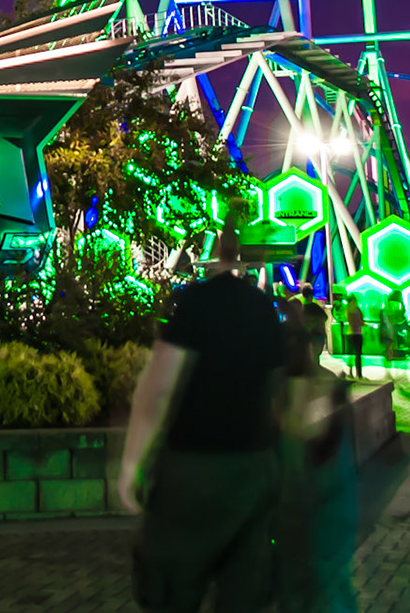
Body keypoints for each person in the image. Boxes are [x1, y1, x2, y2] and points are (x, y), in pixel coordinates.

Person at [120, 228, 294, 613]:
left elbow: (157, 389)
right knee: (245, 594)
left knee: (171, 589)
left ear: (209, 256)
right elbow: (279, 394)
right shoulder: (263, 307)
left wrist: (133, 463)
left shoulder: (191, 302)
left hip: (193, 467)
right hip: (252, 465)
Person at [343, 295, 366, 381]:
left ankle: (350, 372)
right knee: (358, 355)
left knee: (351, 355)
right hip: (357, 334)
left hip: (350, 334)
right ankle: (358, 374)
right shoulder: (356, 309)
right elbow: (361, 321)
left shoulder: (348, 309)